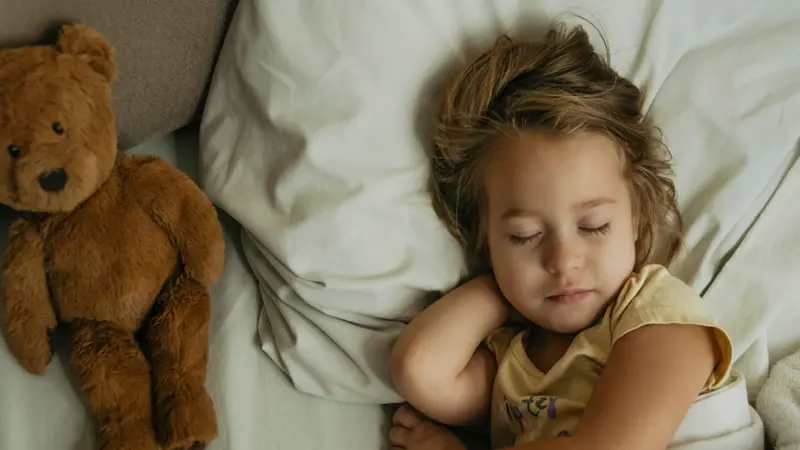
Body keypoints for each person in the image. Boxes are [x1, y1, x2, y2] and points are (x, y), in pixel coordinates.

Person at [388, 23, 735, 450]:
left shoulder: (659, 317)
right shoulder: (512, 363)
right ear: (484, 240)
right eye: (524, 235)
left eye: (594, 227)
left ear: (638, 217)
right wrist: (500, 288)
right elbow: (420, 369)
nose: (564, 259)